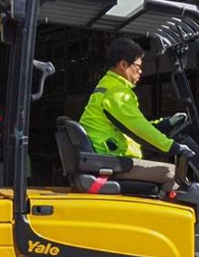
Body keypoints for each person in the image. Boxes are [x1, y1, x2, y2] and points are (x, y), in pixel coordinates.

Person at [79, 37, 193, 191]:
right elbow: (138, 128)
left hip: (106, 159)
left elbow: (132, 125)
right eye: (138, 66)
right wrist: (173, 147)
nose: (141, 71)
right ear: (123, 64)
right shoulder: (117, 93)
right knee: (173, 174)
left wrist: (165, 124)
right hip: (111, 163)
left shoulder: (107, 86)